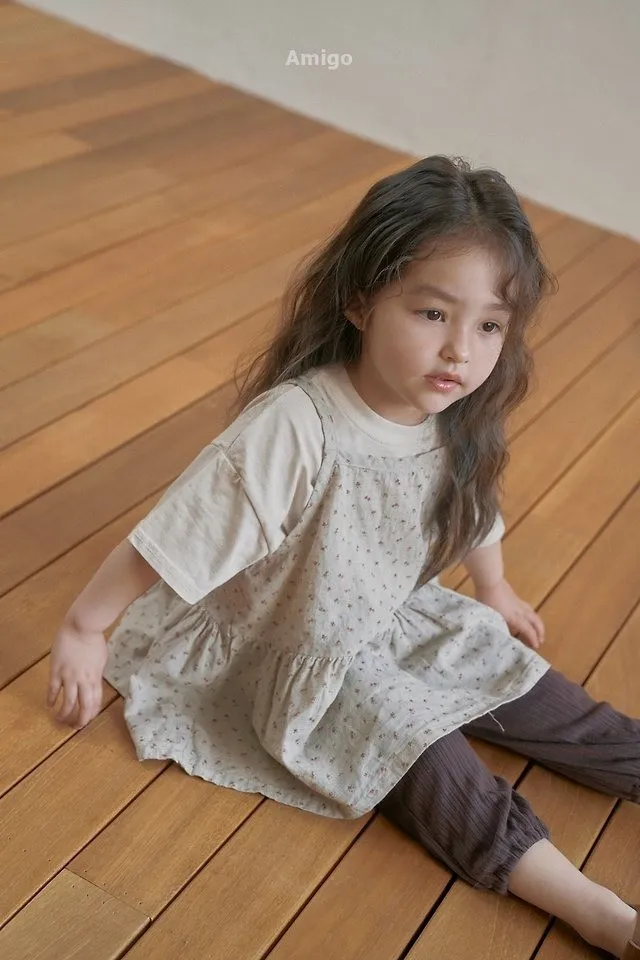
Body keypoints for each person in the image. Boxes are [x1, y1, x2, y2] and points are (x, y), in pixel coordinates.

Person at [46, 155, 640, 958]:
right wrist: (85, 627)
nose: (460, 352)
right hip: (303, 650)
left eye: (489, 327)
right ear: (361, 300)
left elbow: (473, 511)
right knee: (427, 754)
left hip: (399, 616)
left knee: (544, 696)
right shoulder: (295, 426)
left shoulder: (451, 412)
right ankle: (597, 911)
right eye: (433, 313)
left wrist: (495, 591)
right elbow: (176, 535)